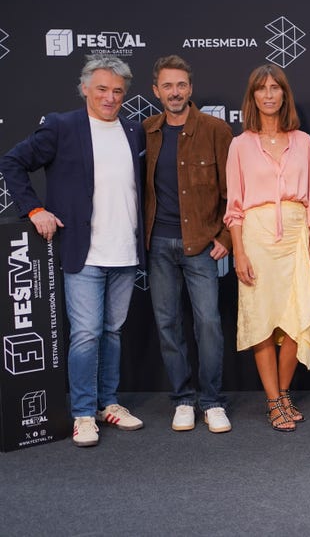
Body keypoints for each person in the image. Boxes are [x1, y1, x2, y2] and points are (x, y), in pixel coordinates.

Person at [0, 56, 145, 447]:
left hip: (125, 251)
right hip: (84, 252)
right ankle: (82, 412)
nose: (109, 97)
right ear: (84, 89)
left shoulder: (134, 131)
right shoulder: (62, 126)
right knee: (85, 334)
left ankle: (107, 403)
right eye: (102, 89)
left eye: (117, 91)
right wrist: (34, 209)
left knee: (112, 333)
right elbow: (13, 162)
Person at [224, 64, 310, 432]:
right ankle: (273, 401)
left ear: (284, 94)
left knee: (298, 319)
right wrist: (239, 251)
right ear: (252, 96)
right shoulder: (240, 145)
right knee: (262, 320)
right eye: (261, 88)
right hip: (257, 238)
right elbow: (234, 207)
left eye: (275, 87)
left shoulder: (303, 140)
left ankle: (283, 393)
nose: (268, 94)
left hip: (296, 237)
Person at [144, 55, 233, 434]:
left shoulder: (216, 130)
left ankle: (211, 402)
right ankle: (182, 399)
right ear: (156, 91)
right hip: (158, 245)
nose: (175, 92)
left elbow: (233, 192)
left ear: (191, 88)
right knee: (167, 324)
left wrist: (226, 237)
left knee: (208, 324)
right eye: (167, 85)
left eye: (181, 85)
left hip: (201, 244)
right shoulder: (146, 131)